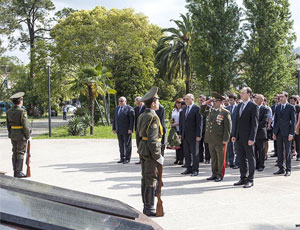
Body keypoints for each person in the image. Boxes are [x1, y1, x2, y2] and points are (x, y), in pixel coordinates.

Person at [136, 86, 164, 216]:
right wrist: (158, 156)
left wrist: (140, 149)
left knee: (145, 178)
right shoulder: (153, 117)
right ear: (153, 103)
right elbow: (153, 140)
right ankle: (149, 208)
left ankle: (146, 206)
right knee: (151, 179)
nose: (158, 103)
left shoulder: (142, 115)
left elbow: (138, 136)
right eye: (157, 101)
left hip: (143, 150)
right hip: (151, 152)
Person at [200, 93, 231, 182]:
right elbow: (201, 112)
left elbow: (228, 127)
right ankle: (214, 173)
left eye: (215, 101)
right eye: (213, 101)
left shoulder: (225, 112)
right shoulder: (211, 111)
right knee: (213, 158)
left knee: (220, 158)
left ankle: (220, 175)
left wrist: (226, 139)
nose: (213, 103)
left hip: (220, 139)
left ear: (220, 102)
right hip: (211, 139)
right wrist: (205, 103)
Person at [232, 87, 259, 188]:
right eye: (240, 93)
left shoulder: (253, 106)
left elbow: (254, 124)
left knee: (250, 158)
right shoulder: (239, 106)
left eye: (243, 93)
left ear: (249, 94)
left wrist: (252, 138)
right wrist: (234, 135)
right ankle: (242, 177)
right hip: (239, 137)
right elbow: (236, 122)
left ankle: (250, 179)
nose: (241, 95)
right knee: (241, 158)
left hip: (248, 138)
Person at [6, 92, 30, 178]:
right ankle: (18, 171)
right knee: (20, 152)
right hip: (21, 135)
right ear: (20, 101)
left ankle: (15, 171)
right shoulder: (22, 111)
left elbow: (8, 124)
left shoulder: (9, 111)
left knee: (14, 152)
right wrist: (28, 136)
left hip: (13, 134)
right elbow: (25, 126)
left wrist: (10, 133)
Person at [273, 91, 296, 176]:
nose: (280, 98)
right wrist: (274, 132)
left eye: (282, 97)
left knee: (288, 151)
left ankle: (288, 169)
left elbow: (293, 121)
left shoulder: (291, 107)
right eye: (280, 97)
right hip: (278, 132)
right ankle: (281, 168)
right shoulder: (278, 107)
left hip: (287, 132)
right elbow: (276, 121)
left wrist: (291, 133)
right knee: (279, 151)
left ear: (286, 97)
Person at [179, 94, 202, 176]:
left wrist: (198, 135)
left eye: (187, 99)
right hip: (185, 135)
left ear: (192, 99)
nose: (186, 101)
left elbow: (199, 123)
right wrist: (180, 133)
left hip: (194, 135)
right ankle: (188, 168)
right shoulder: (184, 109)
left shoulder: (197, 109)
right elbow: (182, 123)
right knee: (186, 153)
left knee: (195, 153)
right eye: (185, 99)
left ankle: (195, 169)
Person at [112, 96, 134, 164]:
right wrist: (114, 128)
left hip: (126, 130)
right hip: (119, 129)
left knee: (127, 144)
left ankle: (127, 158)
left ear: (125, 101)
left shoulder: (129, 109)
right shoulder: (117, 108)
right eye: (119, 101)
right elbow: (115, 119)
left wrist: (130, 129)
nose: (120, 102)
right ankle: (122, 157)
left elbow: (131, 120)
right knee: (121, 144)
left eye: (121, 101)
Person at [253, 94, 269, 172]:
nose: (255, 99)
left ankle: (261, 165)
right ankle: (256, 164)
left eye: (257, 98)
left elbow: (264, 121)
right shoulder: (253, 108)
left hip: (260, 133)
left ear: (261, 100)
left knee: (261, 150)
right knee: (254, 150)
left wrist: (254, 127)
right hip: (253, 133)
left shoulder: (265, 109)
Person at [225, 93, 239, 169]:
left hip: (236, 130)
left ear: (235, 100)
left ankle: (237, 162)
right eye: (229, 100)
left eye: (231, 100)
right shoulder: (227, 108)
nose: (230, 101)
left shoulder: (239, 107)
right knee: (229, 147)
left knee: (237, 147)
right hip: (228, 130)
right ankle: (231, 162)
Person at [198, 95, 210, 164]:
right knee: (199, 145)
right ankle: (200, 158)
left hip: (206, 129)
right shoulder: (197, 108)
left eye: (202, 100)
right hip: (199, 129)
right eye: (200, 100)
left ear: (205, 100)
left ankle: (207, 158)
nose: (201, 101)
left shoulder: (209, 108)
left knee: (206, 145)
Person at [170, 98, 183, 164]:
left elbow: (182, 121)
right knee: (176, 144)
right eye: (177, 103)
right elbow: (172, 118)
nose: (178, 104)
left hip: (180, 129)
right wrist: (171, 122)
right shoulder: (174, 110)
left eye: (180, 103)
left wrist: (176, 123)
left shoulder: (182, 110)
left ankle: (181, 159)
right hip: (175, 129)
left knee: (181, 145)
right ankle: (177, 158)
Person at [134, 97, 145, 164]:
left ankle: (144, 159)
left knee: (143, 144)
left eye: (138, 102)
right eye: (136, 102)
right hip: (138, 129)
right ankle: (140, 159)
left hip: (143, 129)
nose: (137, 103)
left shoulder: (145, 108)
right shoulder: (136, 109)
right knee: (138, 144)